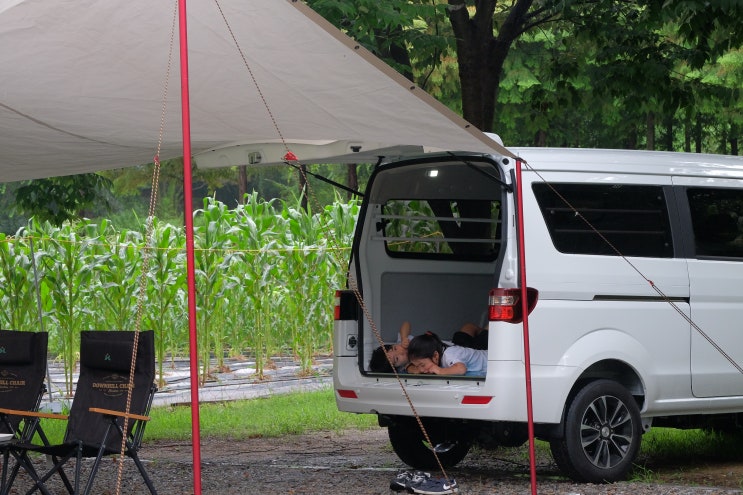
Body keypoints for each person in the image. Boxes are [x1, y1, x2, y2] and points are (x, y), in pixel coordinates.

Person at [368, 321, 487, 373]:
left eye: (394, 348)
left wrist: (404, 338)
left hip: (453, 347)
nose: (401, 352)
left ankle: (482, 334)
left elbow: (406, 323)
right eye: (397, 359)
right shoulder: (407, 366)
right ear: (397, 367)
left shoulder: (403, 344)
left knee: (469, 327)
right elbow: (416, 370)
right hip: (461, 356)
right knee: (487, 335)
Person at [407, 331, 487, 377]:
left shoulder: (449, 354)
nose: (421, 370)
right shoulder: (436, 349)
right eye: (417, 366)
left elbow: (461, 369)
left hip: (490, 362)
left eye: (422, 365)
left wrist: (440, 371)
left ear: (435, 355)